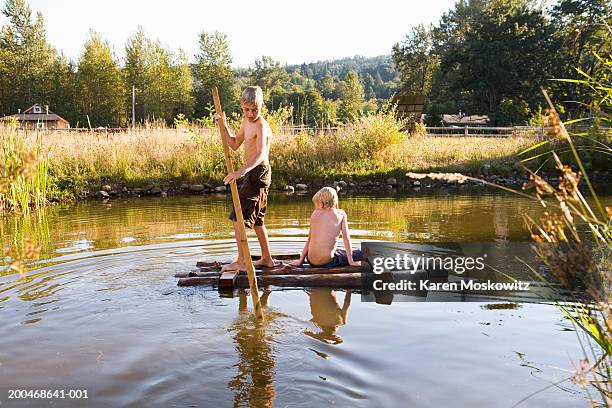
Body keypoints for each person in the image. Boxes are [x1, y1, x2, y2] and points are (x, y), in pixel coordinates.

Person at [214, 86, 275, 271]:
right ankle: (267, 259)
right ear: (242, 106)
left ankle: (241, 261)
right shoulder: (245, 122)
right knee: (257, 221)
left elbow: (261, 155)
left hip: (259, 173)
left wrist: (240, 172)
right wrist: (222, 125)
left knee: (237, 217)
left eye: (254, 110)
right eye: (247, 109)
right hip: (253, 173)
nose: (250, 113)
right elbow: (233, 144)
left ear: (262, 106)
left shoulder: (261, 126)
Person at [289, 187, 362, 268]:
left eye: (316, 204)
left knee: (338, 251)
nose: (315, 207)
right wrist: (351, 262)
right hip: (327, 263)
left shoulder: (315, 214)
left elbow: (310, 239)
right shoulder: (341, 214)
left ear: (322, 204)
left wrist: (300, 261)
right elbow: (346, 238)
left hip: (311, 261)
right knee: (359, 253)